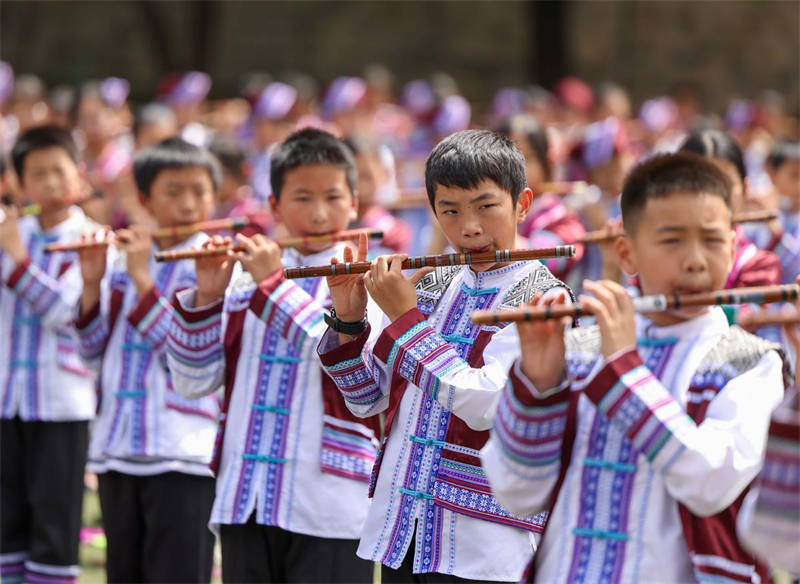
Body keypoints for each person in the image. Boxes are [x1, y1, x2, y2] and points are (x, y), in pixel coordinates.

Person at [481, 152, 787, 584]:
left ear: (734, 248)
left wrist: (625, 373)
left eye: (712, 240)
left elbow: (709, 483)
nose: (695, 260)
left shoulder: (753, 362)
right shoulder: (578, 350)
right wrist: (538, 384)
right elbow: (517, 494)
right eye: (672, 240)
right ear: (626, 253)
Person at [318, 129, 572, 583]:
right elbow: (366, 401)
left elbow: (487, 405)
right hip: (404, 525)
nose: (469, 227)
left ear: (523, 203)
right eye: (450, 211)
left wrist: (404, 320)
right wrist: (349, 321)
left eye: (485, 206)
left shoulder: (544, 299)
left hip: (484, 541)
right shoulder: (431, 287)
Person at [167, 128, 379, 583]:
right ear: (276, 206)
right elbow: (191, 381)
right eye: (302, 198)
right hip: (248, 494)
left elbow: (334, 354)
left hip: (330, 498)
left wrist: (271, 286)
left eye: (333, 196)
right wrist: (206, 297)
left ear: (355, 202)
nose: (320, 212)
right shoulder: (245, 278)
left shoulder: (373, 279)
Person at [74, 138, 219, 583]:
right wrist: (91, 284)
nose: (189, 203)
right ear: (144, 199)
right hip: (118, 448)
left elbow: (185, 357)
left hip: (183, 452)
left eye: (199, 190)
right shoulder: (125, 258)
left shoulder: (217, 266)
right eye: (173, 192)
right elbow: (91, 351)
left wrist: (141, 282)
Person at [0, 125, 98, 584]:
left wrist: (18, 263)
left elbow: (66, 311)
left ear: (79, 174)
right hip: (5, 401)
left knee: (55, 531)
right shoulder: (8, 232)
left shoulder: (94, 240)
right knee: (6, 529)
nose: (51, 183)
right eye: (36, 174)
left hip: (62, 404)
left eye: (59, 171)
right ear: (17, 183)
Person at [680, 129, 783, 288]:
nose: (709, 196)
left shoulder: (758, 266)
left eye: (724, 184)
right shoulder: (658, 256)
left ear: (745, 189)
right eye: (697, 183)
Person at [497, 114, 585, 281]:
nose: (516, 168)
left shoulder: (562, 218)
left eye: (527, 157)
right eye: (506, 159)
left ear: (546, 164)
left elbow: (543, 259)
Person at [344, 134, 411, 255]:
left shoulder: (393, 230)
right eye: (353, 179)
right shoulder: (331, 227)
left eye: (367, 177)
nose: (360, 187)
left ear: (383, 175)